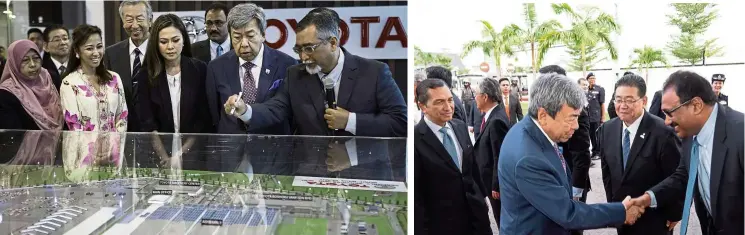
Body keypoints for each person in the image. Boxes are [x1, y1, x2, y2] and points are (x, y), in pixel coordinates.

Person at [224, 8, 406, 180]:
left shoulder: (374, 72)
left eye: (309, 48)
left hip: (366, 178)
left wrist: (351, 121)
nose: (303, 57)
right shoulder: (296, 74)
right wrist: (244, 110)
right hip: (313, 179)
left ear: (333, 43)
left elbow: (400, 123)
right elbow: (276, 108)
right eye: (299, 49)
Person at [498, 72, 643, 234]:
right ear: (543, 115)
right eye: (571, 118)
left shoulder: (529, 130)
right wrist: (621, 212)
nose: (575, 126)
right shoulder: (528, 158)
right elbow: (568, 213)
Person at [630, 70, 744, 235]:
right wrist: (648, 198)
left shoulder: (740, 133)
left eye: (670, 113)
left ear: (696, 105)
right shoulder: (690, 133)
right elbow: (683, 176)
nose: (667, 121)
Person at [597, 74, 683, 235]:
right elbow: (607, 173)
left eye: (629, 100)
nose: (622, 105)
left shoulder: (663, 133)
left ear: (644, 101)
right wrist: (615, 208)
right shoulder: (607, 130)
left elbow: (677, 177)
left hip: (654, 218)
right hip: (622, 214)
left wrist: (675, 214)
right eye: (618, 99)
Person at [414, 78, 491, 235]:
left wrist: (483, 199)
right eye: (439, 102)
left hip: (477, 219)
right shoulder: (416, 140)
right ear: (423, 106)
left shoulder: (460, 126)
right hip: (442, 225)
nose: (448, 107)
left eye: (450, 100)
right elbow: (418, 196)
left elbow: (472, 168)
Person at [207, 3, 297, 135]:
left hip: (273, 149)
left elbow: (290, 114)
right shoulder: (216, 67)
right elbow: (214, 116)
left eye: (250, 36)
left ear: (263, 34)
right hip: (231, 150)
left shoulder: (287, 65)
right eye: (237, 37)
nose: (243, 44)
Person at [135, 14, 212, 165]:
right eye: (163, 42)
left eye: (175, 40)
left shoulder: (200, 69)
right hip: (158, 156)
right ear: (156, 44)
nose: (170, 47)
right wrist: (165, 158)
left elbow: (202, 120)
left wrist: (179, 156)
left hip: (194, 154)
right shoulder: (146, 75)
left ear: (184, 40)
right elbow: (148, 122)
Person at [59, 25, 127, 170]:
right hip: (82, 158)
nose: (96, 52)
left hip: (113, 155)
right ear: (77, 51)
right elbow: (74, 125)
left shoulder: (114, 78)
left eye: (99, 46)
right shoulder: (69, 82)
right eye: (89, 48)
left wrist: (113, 150)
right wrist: (94, 154)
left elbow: (122, 117)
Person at [542, 66, 593, 215]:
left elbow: (582, 154)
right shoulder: (544, 110)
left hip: (571, 182)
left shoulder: (576, 111)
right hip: (552, 181)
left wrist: (576, 192)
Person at [103, 0, 152, 132]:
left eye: (140, 19)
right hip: (122, 129)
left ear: (150, 20)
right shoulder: (111, 53)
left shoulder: (160, 49)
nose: (134, 25)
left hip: (155, 130)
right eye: (129, 19)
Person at [0, 40, 63, 130]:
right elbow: (11, 133)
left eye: (36, 58)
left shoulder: (49, 77)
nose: (33, 64)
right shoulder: (6, 93)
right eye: (25, 60)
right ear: (14, 62)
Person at [472, 78, 509, 228]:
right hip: (486, 178)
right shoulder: (491, 116)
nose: (475, 98)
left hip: (494, 183)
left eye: (476, 94)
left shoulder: (496, 120)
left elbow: (499, 155)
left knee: (501, 219)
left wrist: (496, 185)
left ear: (485, 97)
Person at [41, 25, 70, 90]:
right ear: (46, 46)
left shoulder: (79, 66)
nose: (62, 43)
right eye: (57, 40)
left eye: (65, 38)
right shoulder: (42, 71)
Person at [587, 72, 605, 159]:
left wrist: (603, 116)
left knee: (596, 135)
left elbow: (602, 104)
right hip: (587, 117)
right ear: (587, 80)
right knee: (590, 135)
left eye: (594, 78)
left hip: (596, 116)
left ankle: (598, 153)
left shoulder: (600, 89)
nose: (592, 80)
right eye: (591, 78)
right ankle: (594, 152)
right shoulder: (585, 89)